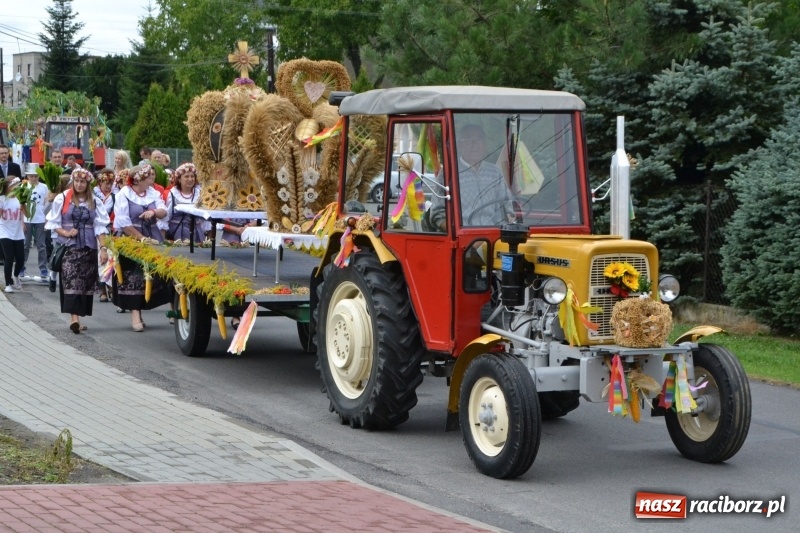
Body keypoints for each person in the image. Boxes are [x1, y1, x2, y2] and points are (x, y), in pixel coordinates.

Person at [45, 169, 110, 333]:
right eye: (77, 181)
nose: (79, 184)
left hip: (89, 248)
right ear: (73, 182)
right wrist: (66, 232)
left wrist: (103, 249)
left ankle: (77, 319)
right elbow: (53, 223)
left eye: (82, 182)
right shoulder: (63, 198)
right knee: (71, 281)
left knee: (84, 284)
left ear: (88, 184)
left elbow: (100, 227)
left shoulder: (95, 201)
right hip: (69, 247)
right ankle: (74, 319)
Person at [112, 164, 171, 332]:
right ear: (138, 180)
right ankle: (135, 315)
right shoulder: (124, 194)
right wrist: (141, 238)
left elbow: (164, 211)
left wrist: (154, 212)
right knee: (133, 276)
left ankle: (167, 307)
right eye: (148, 177)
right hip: (132, 238)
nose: (152, 179)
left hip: (152, 237)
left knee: (156, 275)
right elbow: (123, 222)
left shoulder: (153, 192)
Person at [428, 123, 515, 231]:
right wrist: (458, 233)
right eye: (469, 140)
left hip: (493, 234)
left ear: (485, 144)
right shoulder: (448, 173)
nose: (475, 145)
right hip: (464, 236)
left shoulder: (495, 172)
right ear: (460, 145)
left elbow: (507, 207)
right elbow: (437, 213)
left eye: (479, 139)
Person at [163, 163, 209, 243]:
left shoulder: (200, 194)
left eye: (192, 176)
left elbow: (206, 218)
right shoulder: (172, 194)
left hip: (197, 234)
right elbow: (166, 217)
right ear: (179, 179)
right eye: (186, 176)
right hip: (177, 234)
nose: (190, 179)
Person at [21, 163, 50, 282]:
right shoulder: (23, 186)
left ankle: (43, 269)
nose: (33, 178)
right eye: (31, 176)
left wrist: (47, 220)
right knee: (25, 245)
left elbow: (47, 204)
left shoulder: (44, 187)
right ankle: (21, 267)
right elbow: (21, 205)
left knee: (41, 245)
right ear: (27, 176)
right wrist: (22, 222)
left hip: (40, 219)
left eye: (36, 176)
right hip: (27, 219)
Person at [93, 168, 116, 302]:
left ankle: (110, 286)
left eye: (111, 183)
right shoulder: (93, 195)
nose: (108, 186)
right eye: (106, 183)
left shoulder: (114, 196)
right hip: (96, 230)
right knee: (99, 259)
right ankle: (102, 289)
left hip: (109, 230)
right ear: (100, 183)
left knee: (110, 257)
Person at [0, 177, 25, 293]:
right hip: (4, 231)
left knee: (20, 259)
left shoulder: (20, 198)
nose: (16, 187)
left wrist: (23, 223)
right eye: (14, 185)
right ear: (7, 187)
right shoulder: (2, 199)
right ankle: (8, 284)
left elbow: (26, 214)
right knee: (9, 257)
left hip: (18, 232)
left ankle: (15, 275)